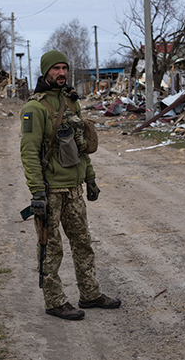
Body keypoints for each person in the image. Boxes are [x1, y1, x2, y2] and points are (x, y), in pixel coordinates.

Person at [20, 50, 121, 320]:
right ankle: (54, 301)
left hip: (74, 188)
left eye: (64, 68)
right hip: (50, 191)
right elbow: (29, 153)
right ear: (46, 72)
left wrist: (90, 178)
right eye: (56, 68)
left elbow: (81, 146)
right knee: (51, 249)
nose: (62, 73)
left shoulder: (71, 101)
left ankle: (90, 293)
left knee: (83, 243)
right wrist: (37, 192)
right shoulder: (34, 109)